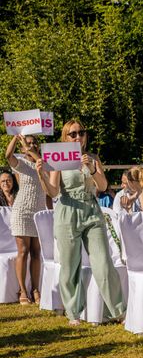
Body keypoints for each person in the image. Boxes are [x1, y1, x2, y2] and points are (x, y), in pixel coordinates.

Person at [36, 119, 125, 326]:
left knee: (103, 262)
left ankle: (118, 311)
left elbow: (102, 186)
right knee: (69, 265)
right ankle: (73, 312)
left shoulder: (93, 158)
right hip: (68, 210)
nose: (78, 137)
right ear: (65, 137)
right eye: (72, 134)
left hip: (92, 210)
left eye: (81, 133)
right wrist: (41, 174)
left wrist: (92, 168)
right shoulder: (59, 158)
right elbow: (54, 191)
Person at [5, 135, 47, 305]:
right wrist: (15, 138)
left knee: (37, 252)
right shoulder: (21, 164)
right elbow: (8, 155)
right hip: (22, 211)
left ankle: (35, 289)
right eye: (28, 143)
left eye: (34, 142)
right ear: (22, 148)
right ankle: (22, 291)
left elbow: (49, 182)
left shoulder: (44, 163)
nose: (32, 145)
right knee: (23, 251)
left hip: (39, 212)